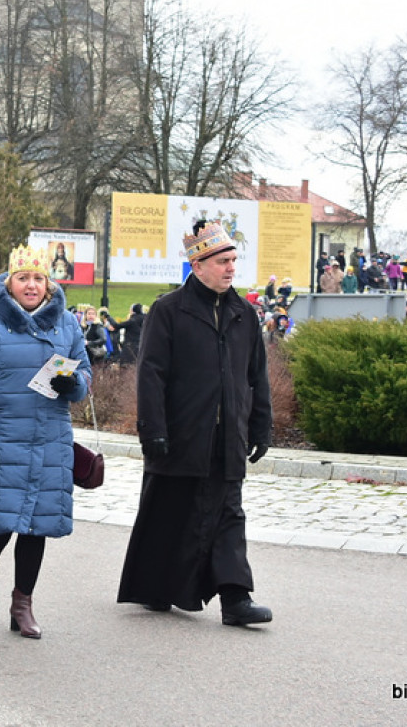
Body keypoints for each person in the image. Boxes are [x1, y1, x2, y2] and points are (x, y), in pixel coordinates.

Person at [118, 219, 273, 627]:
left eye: (233, 260)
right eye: (222, 261)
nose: (230, 268)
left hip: (228, 438)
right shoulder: (169, 311)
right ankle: (156, 587)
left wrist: (261, 427)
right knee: (171, 512)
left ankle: (236, 599)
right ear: (198, 265)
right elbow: (150, 374)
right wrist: (153, 429)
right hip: (181, 434)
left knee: (228, 515)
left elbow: (256, 377)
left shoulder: (244, 314)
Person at [0, 244, 91, 639]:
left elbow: (85, 378)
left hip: (50, 435)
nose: (31, 285)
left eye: (38, 278)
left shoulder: (67, 324)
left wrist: (73, 383)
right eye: (23, 277)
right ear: (9, 282)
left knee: (37, 525)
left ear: (49, 284)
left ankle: (22, 604)